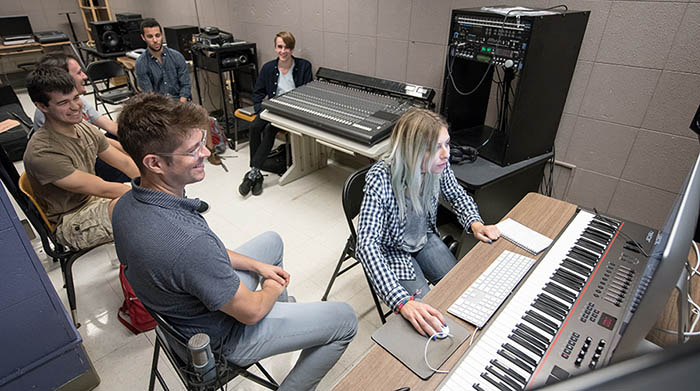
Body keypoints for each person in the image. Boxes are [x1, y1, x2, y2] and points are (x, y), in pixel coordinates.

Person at [112, 92, 357, 390]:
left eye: (202, 141)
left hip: (181, 319)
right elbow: (249, 310)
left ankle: (284, 319)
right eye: (193, 149)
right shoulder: (187, 243)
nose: (205, 153)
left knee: (271, 243)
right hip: (220, 343)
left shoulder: (124, 205)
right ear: (155, 163)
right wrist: (270, 288)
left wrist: (259, 267)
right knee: (345, 319)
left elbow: (196, 261)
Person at [356, 108, 501, 337]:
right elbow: (366, 245)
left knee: (460, 290)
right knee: (428, 314)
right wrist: (401, 301)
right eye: (436, 148)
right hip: (393, 251)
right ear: (412, 151)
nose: (446, 154)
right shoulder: (381, 178)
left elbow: (456, 195)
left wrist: (476, 224)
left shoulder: (438, 167)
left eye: (447, 144)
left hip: (424, 237)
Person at [23, 66, 139, 251]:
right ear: (41, 106)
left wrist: (155, 184)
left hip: (93, 201)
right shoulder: (42, 153)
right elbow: (103, 187)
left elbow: (124, 162)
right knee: (136, 207)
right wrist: (154, 195)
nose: (76, 106)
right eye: (63, 103)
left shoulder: (82, 127)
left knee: (150, 196)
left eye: (76, 98)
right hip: (70, 220)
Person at [31, 53, 130, 183]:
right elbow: (95, 142)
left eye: (75, 98)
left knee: (126, 134)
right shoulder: (52, 114)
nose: (85, 76)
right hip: (82, 165)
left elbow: (107, 128)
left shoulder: (78, 103)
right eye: (78, 73)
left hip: (91, 150)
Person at [239, 31, 313, 197]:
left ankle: (253, 173)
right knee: (255, 127)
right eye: (280, 47)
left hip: (292, 112)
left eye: (287, 47)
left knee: (269, 130)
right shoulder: (268, 68)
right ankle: (255, 173)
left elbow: (308, 94)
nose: (283, 51)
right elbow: (257, 93)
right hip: (272, 109)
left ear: (292, 49)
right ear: (275, 48)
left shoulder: (304, 66)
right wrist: (260, 109)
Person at [135, 19, 191, 102]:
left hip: (180, 104)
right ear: (143, 37)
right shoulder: (141, 63)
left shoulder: (177, 57)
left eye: (157, 35)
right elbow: (149, 96)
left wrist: (180, 107)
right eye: (150, 37)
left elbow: (185, 86)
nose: (155, 40)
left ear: (162, 35)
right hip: (160, 107)